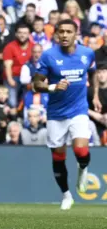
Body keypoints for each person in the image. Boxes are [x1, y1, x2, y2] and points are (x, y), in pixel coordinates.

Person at [32, 19, 96, 211]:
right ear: (57, 34)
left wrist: (96, 95)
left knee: (80, 151)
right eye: (62, 32)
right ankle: (66, 195)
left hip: (79, 110)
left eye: (69, 31)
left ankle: (83, 168)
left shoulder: (87, 53)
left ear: (76, 34)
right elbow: (36, 84)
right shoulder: (48, 56)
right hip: (56, 114)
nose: (65, 35)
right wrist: (52, 87)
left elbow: (92, 73)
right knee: (58, 157)